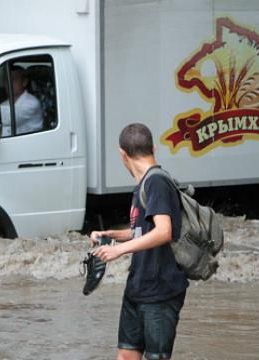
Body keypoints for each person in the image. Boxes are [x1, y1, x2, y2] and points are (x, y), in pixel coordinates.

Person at [90, 123, 188, 360]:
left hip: (160, 292)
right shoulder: (144, 184)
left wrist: (119, 251)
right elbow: (143, 231)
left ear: (122, 154)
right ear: (153, 147)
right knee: (126, 355)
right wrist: (112, 235)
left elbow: (164, 231)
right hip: (138, 288)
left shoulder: (157, 182)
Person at [0, 66, 43, 136]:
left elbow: (9, 118)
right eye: (7, 79)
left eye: (14, 79)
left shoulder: (32, 103)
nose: (9, 82)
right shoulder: (3, 104)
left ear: (24, 82)